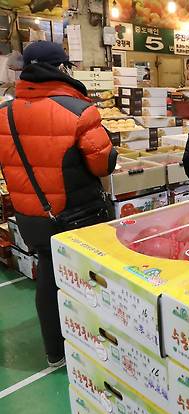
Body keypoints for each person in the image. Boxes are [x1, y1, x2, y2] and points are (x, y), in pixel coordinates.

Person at [0, 41, 117, 367]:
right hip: (77, 216)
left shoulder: (3, 114)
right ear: (62, 69)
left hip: (31, 217)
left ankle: (56, 352)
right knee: (91, 279)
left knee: (49, 276)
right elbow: (103, 164)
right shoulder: (77, 110)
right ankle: (98, 347)